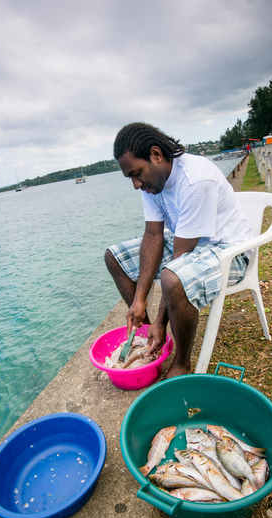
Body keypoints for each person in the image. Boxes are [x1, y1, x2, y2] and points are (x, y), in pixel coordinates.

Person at [105, 122, 254, 378]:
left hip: (230, 251)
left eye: (136, 173)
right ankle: (150, 342)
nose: (136, 184)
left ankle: (182, 363)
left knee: (172, 278)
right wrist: (139, 300)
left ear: (156, 155)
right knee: (114, 257)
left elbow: (179, 260)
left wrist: (163, 320)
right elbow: (153, 236)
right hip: (191, 246)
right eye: (130, 176)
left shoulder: (195, 180)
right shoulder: (152, 181)